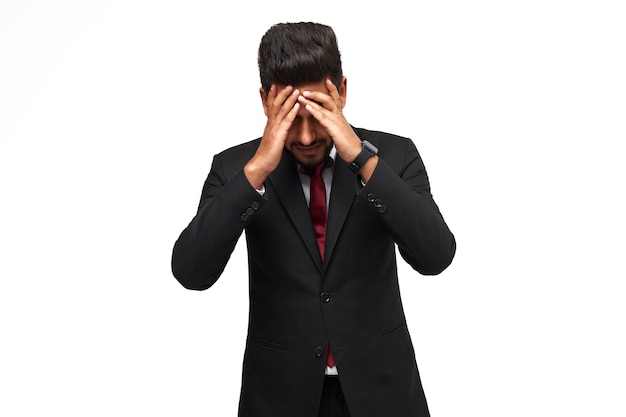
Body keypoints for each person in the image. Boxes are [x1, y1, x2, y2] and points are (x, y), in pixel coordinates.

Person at [171, 21, 456, 417]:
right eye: (292, 117)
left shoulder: (394, 156)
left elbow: (436, 256)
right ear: (265, 101)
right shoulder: (235, 168)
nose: (306, 138)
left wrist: (361, 159)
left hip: (384, 393)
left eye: (318, 114)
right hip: (278, 397)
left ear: (341, 92)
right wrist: (256, 172)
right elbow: (191, 272)